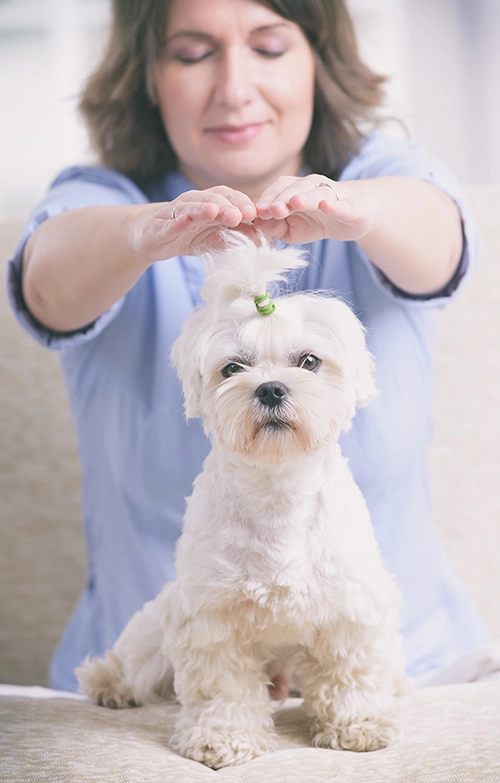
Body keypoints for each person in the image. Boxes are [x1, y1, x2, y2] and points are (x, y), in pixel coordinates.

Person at [7, 0, 491, 693]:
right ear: (147, 76)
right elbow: (46, 282)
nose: (234, 87)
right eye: (194, 53)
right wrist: (146, 234)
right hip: (162, 694)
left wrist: (362, 212)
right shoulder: (103, 202)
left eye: (268, 46)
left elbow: (439, 238)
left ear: (319, 63)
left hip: (409, 675)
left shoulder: (380, 178)